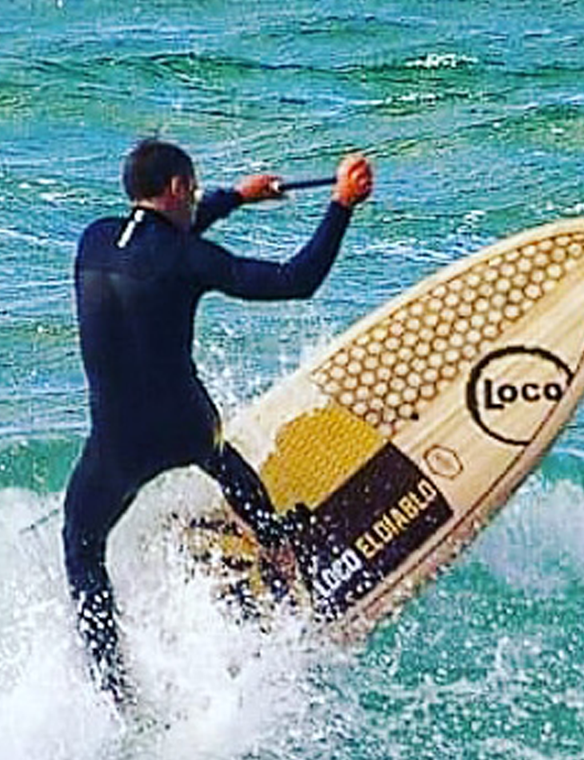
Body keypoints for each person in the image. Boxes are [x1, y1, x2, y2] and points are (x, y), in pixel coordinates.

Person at [63, 137, 374, 701]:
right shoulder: (188, 259)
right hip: (186, 426)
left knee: (82, 548)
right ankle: (278, 540)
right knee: (220, 458)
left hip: (114, 448)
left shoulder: (94, 241)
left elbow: (156, 247)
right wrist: (341, 205)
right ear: (178, 187)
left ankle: (111, 686)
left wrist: (237, 198)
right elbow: (294, 280)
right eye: (196, 188)